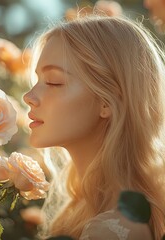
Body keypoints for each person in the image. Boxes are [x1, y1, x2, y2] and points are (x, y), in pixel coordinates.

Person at [23, 15, 165, 240]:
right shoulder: (85, 208)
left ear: (107, 101)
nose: (29, 97)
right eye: (36, 81)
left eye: (53, 82)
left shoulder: (113, 230)